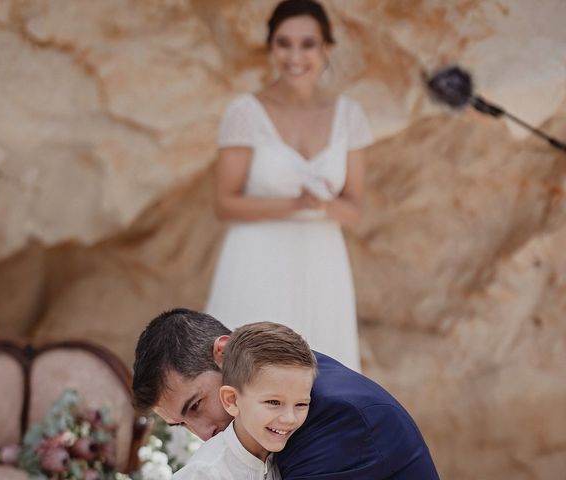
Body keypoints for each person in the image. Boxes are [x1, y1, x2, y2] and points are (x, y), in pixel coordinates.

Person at [206, 0, 373, 371]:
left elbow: (354, 209)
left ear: (326, 48)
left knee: (324, 370)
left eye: (308, 44)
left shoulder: (349, 116)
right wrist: (294, 204)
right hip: (256, 257)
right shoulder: (246, 113)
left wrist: (323, 205)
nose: (295, 55)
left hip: (322, 259)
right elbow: (224, 202)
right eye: (284, 43)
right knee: (246, 370)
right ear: (271, 48)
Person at [133, 308, 440, 479]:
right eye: (182, 424)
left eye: (197, 405)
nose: (204, 433)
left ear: (223, 354)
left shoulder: (331, 416)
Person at [173, 322, 317, 480]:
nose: (290, 418)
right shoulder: (205, 473)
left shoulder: (292, 454)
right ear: (232, 400)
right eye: (274, 402)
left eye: (301, 404)